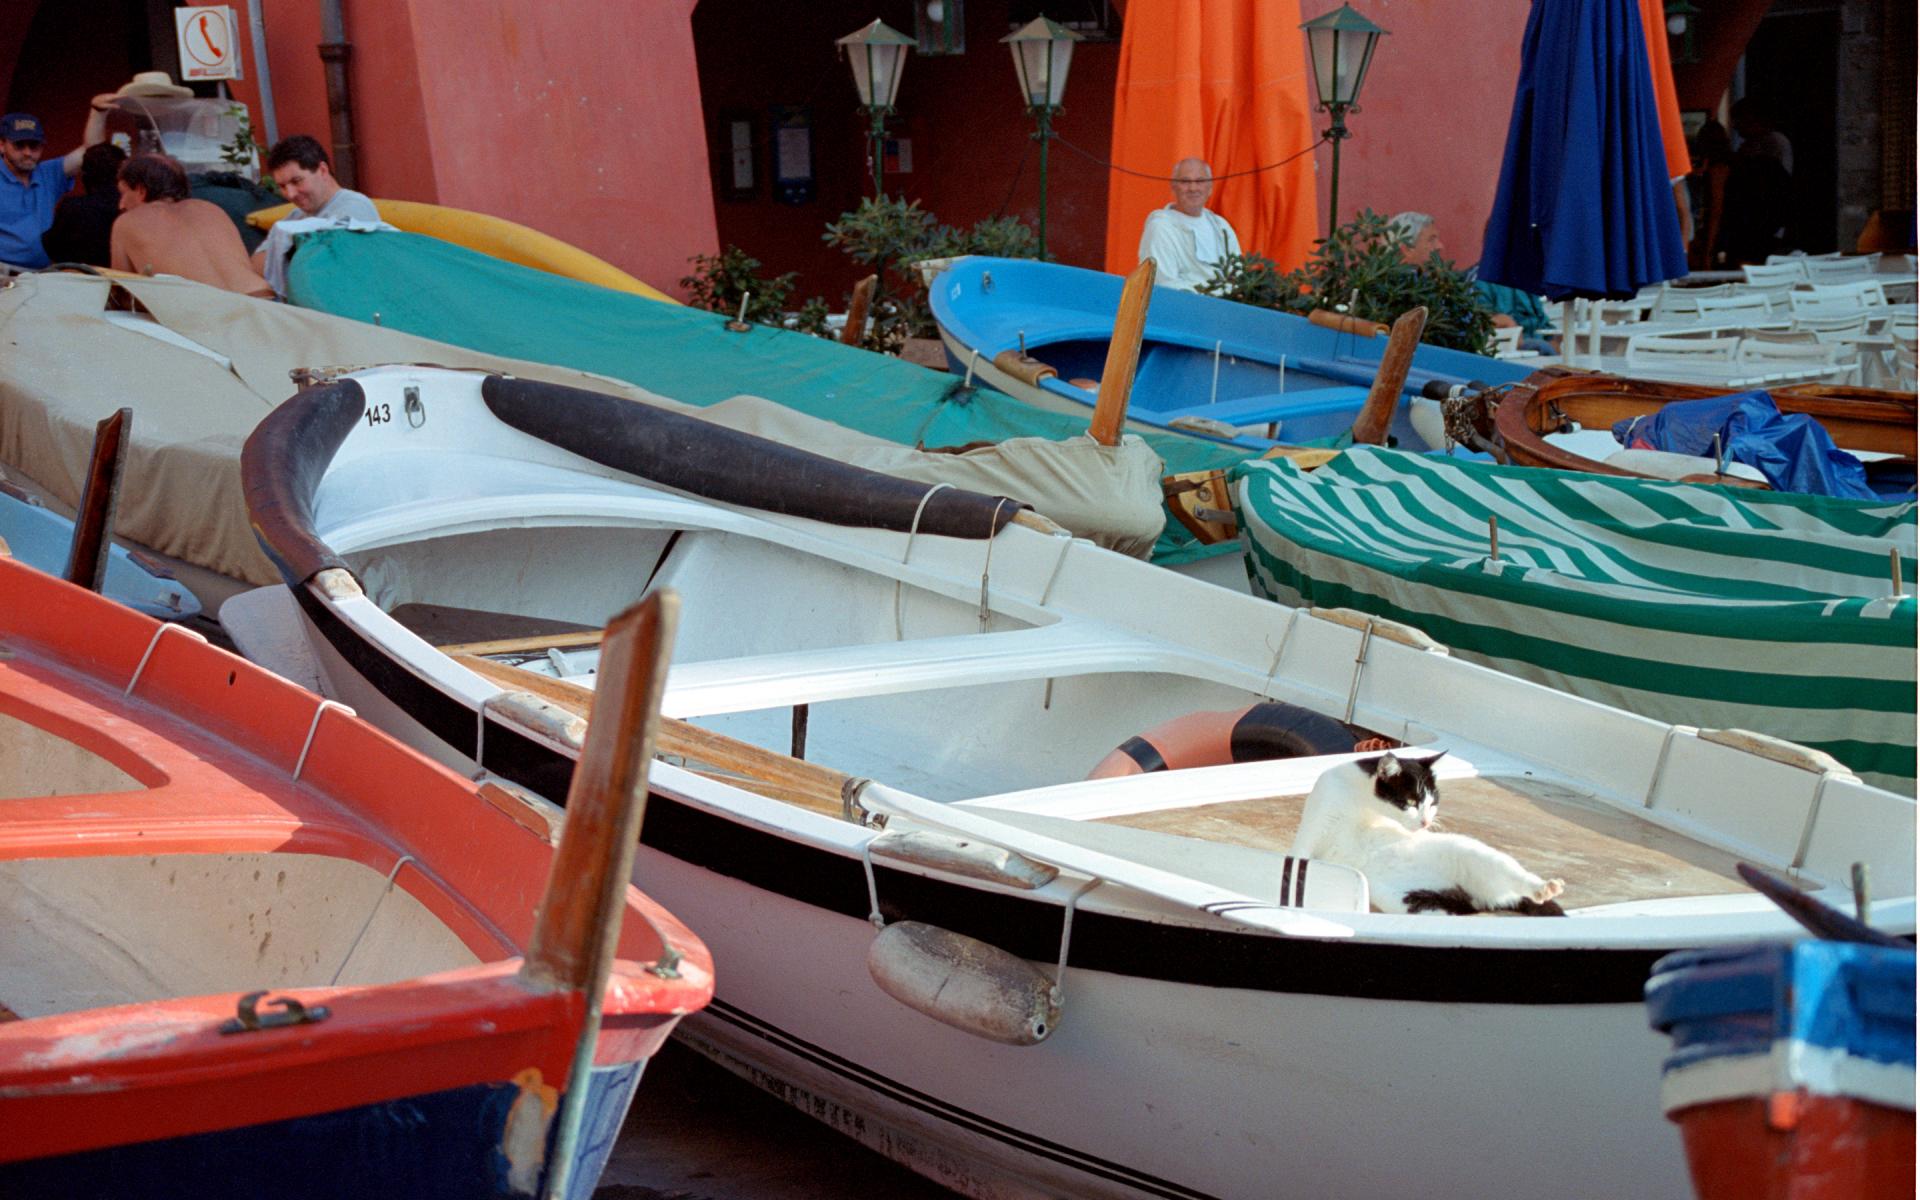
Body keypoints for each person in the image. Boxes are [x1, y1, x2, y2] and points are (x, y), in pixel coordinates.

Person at [110, 153, 273, 298]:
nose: (121, 205)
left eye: (123, 193)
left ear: (140, 190)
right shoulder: (210, 208)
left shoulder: (126, 222)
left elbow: (124, 294)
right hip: (264, 301)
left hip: (209, 311)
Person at [1389, 211, 1553, 354]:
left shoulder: (1434, 283)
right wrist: (1491, 321)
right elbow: (1460, 329)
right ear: (1407, 248)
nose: (1439, 246)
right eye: (1431, 240)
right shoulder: (1402, 288)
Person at [250, 134, 380, 297]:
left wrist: (280, 259)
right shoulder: (296, 215)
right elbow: (255, 263)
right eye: (282, 186)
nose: (290, 194)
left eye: (297, 181)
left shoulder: (354, 208)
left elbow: (331, 273)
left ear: (323, 171)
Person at [0, 98, 115, 269]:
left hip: (41, 274)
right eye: (19, 145)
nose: (27, 152)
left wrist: (97, 112)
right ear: (2, 145)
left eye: (34, 146)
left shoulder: (48, 172)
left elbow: (94, 153)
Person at [1137, 158, 1242, 292]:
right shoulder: (1161, 227)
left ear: (1210, 187)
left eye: (1200, 181)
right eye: (1185, 181)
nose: (1193, 188)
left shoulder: (1221, 227)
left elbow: (1239, 278)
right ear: (1173, 187)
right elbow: (1163, 284)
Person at [41, 142, 127, 267]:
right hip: (117, 280)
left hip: (75, 280)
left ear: (85, 175)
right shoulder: (129, 209)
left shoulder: (72, 208)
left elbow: (52, 246)